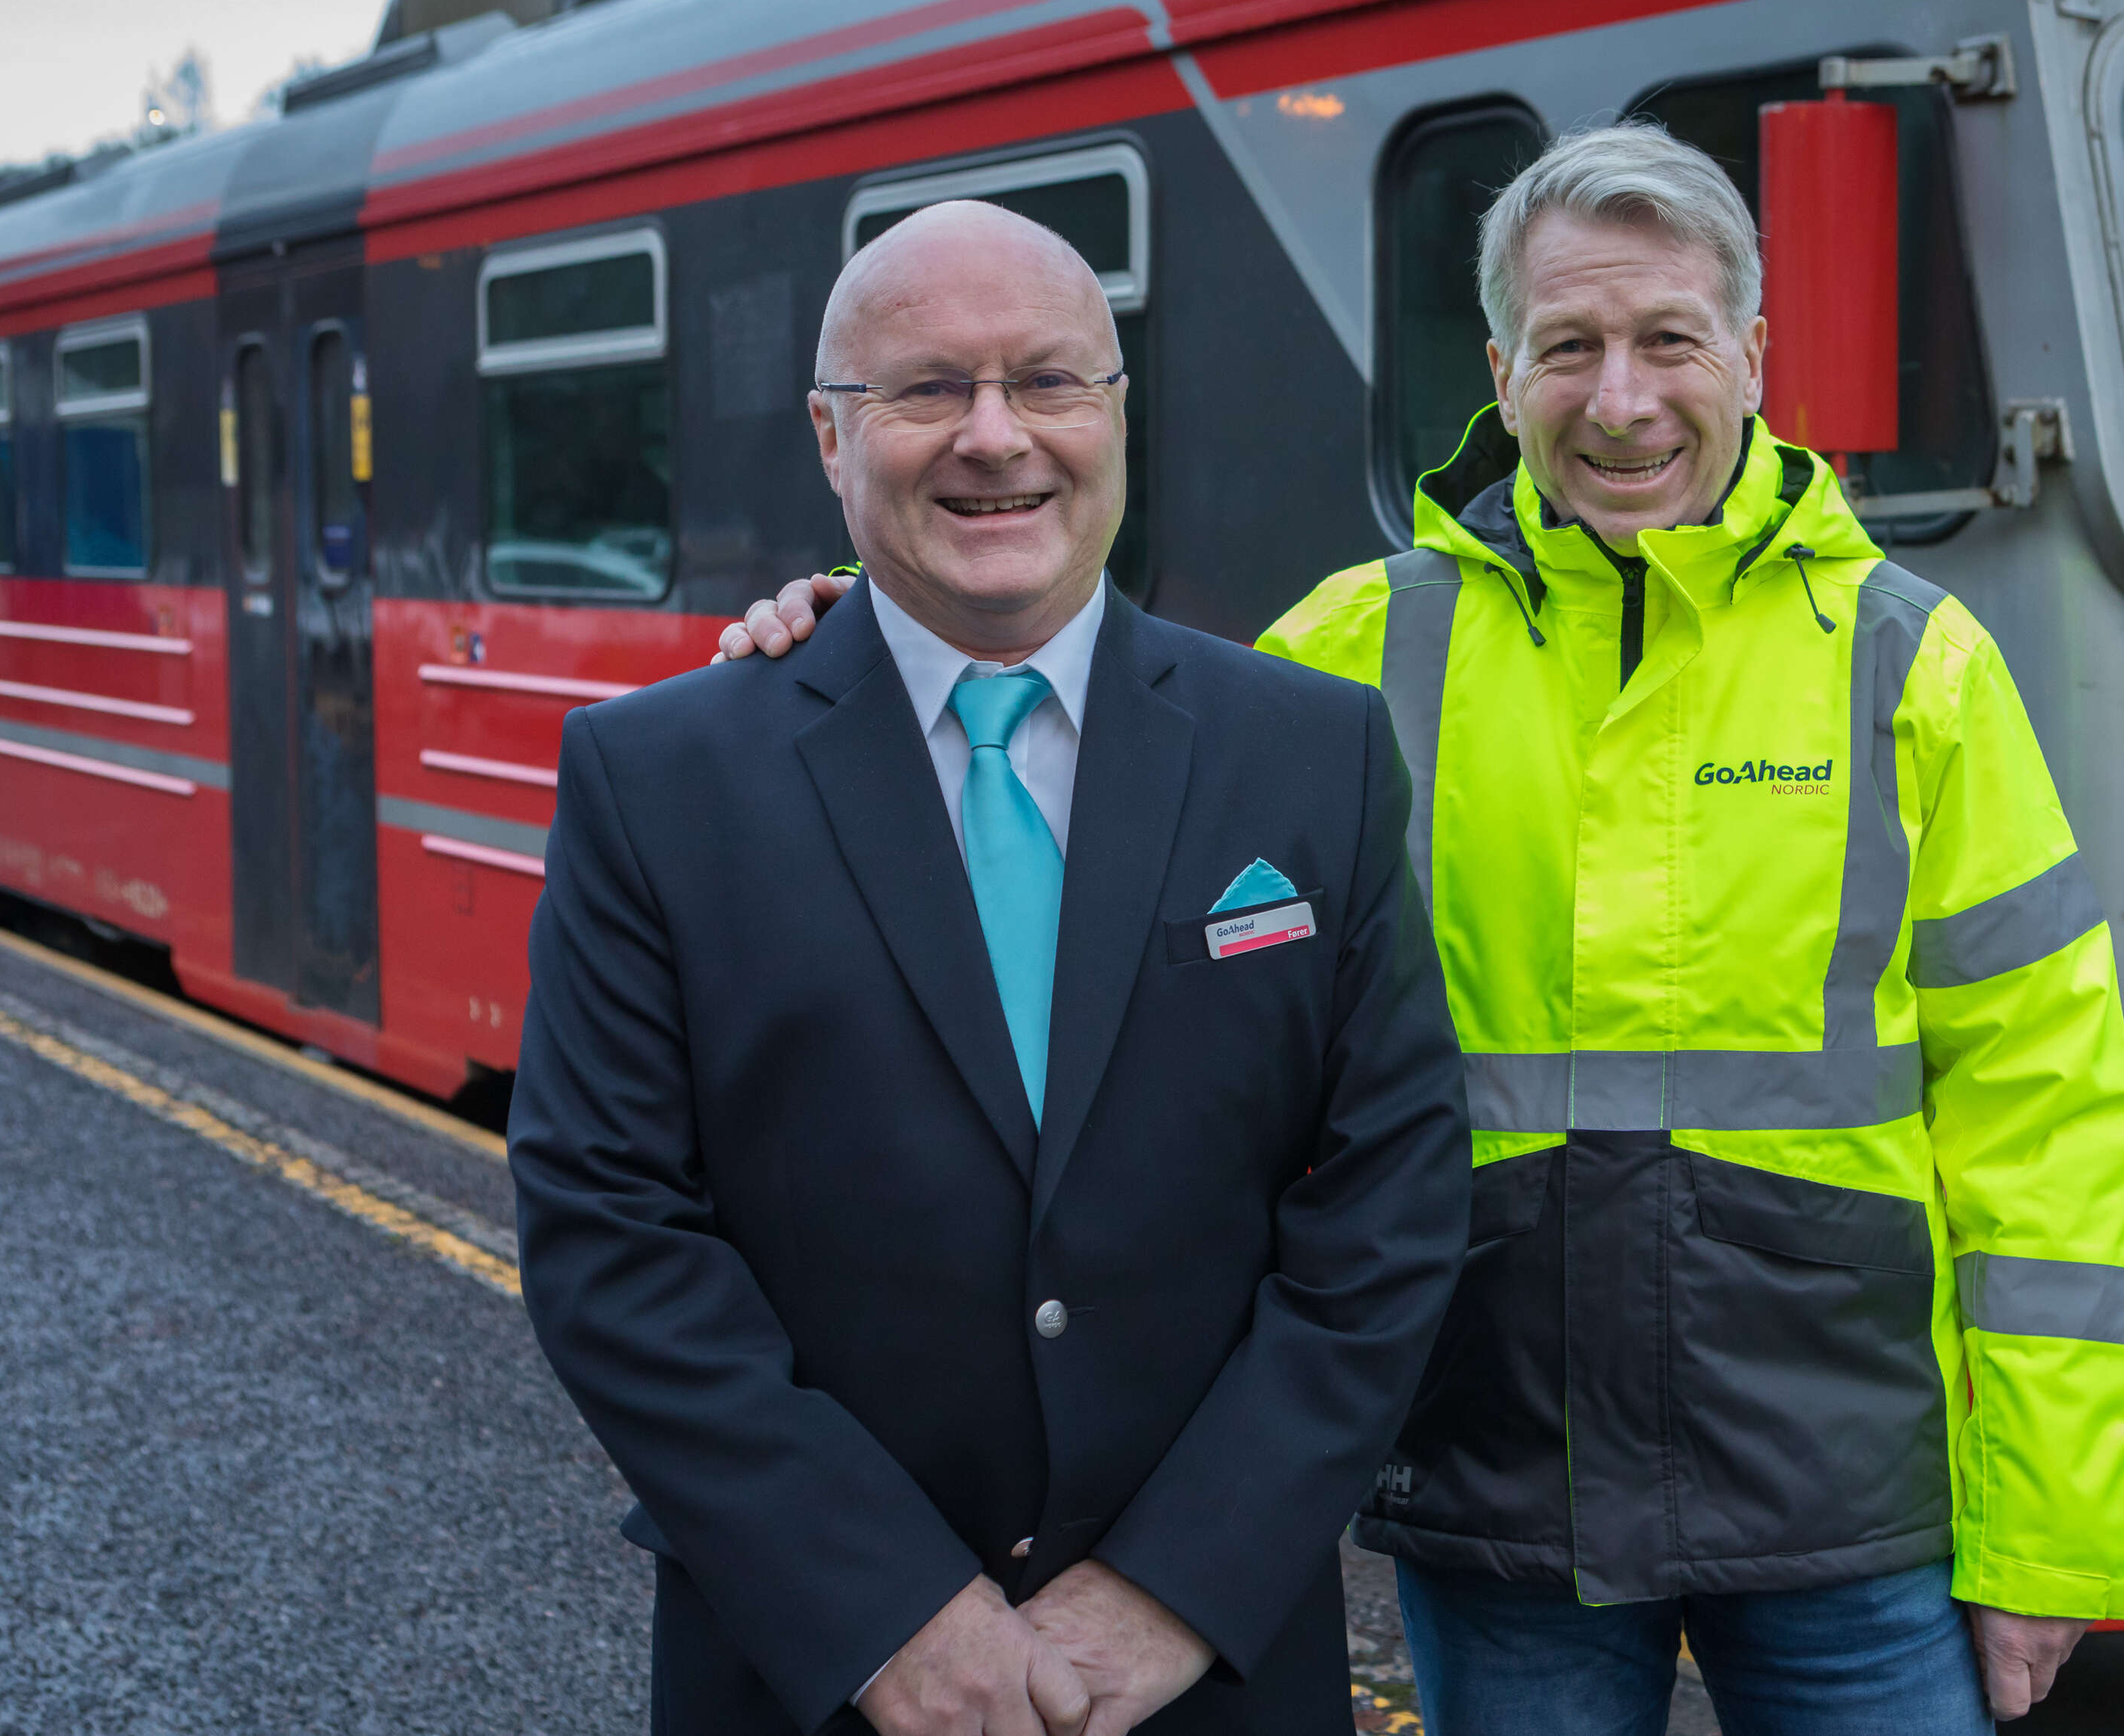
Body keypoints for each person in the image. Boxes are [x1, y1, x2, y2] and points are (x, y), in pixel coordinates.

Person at [720, 126, 2124, 1734]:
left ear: (1751, 356)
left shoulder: (1914, 665)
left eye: (1669, 342)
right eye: (1569, 347)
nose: (1620, 401)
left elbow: (2043, 1123)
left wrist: (2042, 1533)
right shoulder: (1354, 651)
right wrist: (860, 625)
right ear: (1501, 371)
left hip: (1854, 1512)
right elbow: (1060, 737)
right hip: (1499, 1490)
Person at [518, 201, 1472, 1736]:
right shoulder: (656, 778)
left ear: (1115, 415)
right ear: (831, 436)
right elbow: (608, 1231)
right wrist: (886, 1615)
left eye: (1046, 379)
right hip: (818, 1676)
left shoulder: (1312, 753)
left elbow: (1391, 1198)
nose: (993, 435)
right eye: (924, 388)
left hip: (1204, 1675)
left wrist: (1174, 1586)